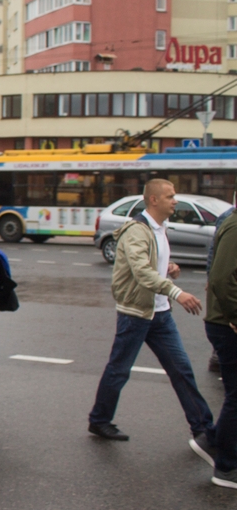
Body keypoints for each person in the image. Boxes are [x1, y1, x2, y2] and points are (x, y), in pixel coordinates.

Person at [88, 178, 216, 443]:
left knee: (182, 370)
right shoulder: (137, 230)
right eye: (170, 196)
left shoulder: (160, 228)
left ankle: (203, 429)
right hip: (135, 312)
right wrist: (177, 292)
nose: (175, 200)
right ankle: (99, 421)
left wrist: (169, 267)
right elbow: (141, 271)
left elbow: (151, 266)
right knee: (119, 370)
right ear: (154, 200)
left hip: (160, 313)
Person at [204, 208, 237, 488]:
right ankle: (226, 468)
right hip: (227, 325)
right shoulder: (235, 226)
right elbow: (221, 278)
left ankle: (213, 439)